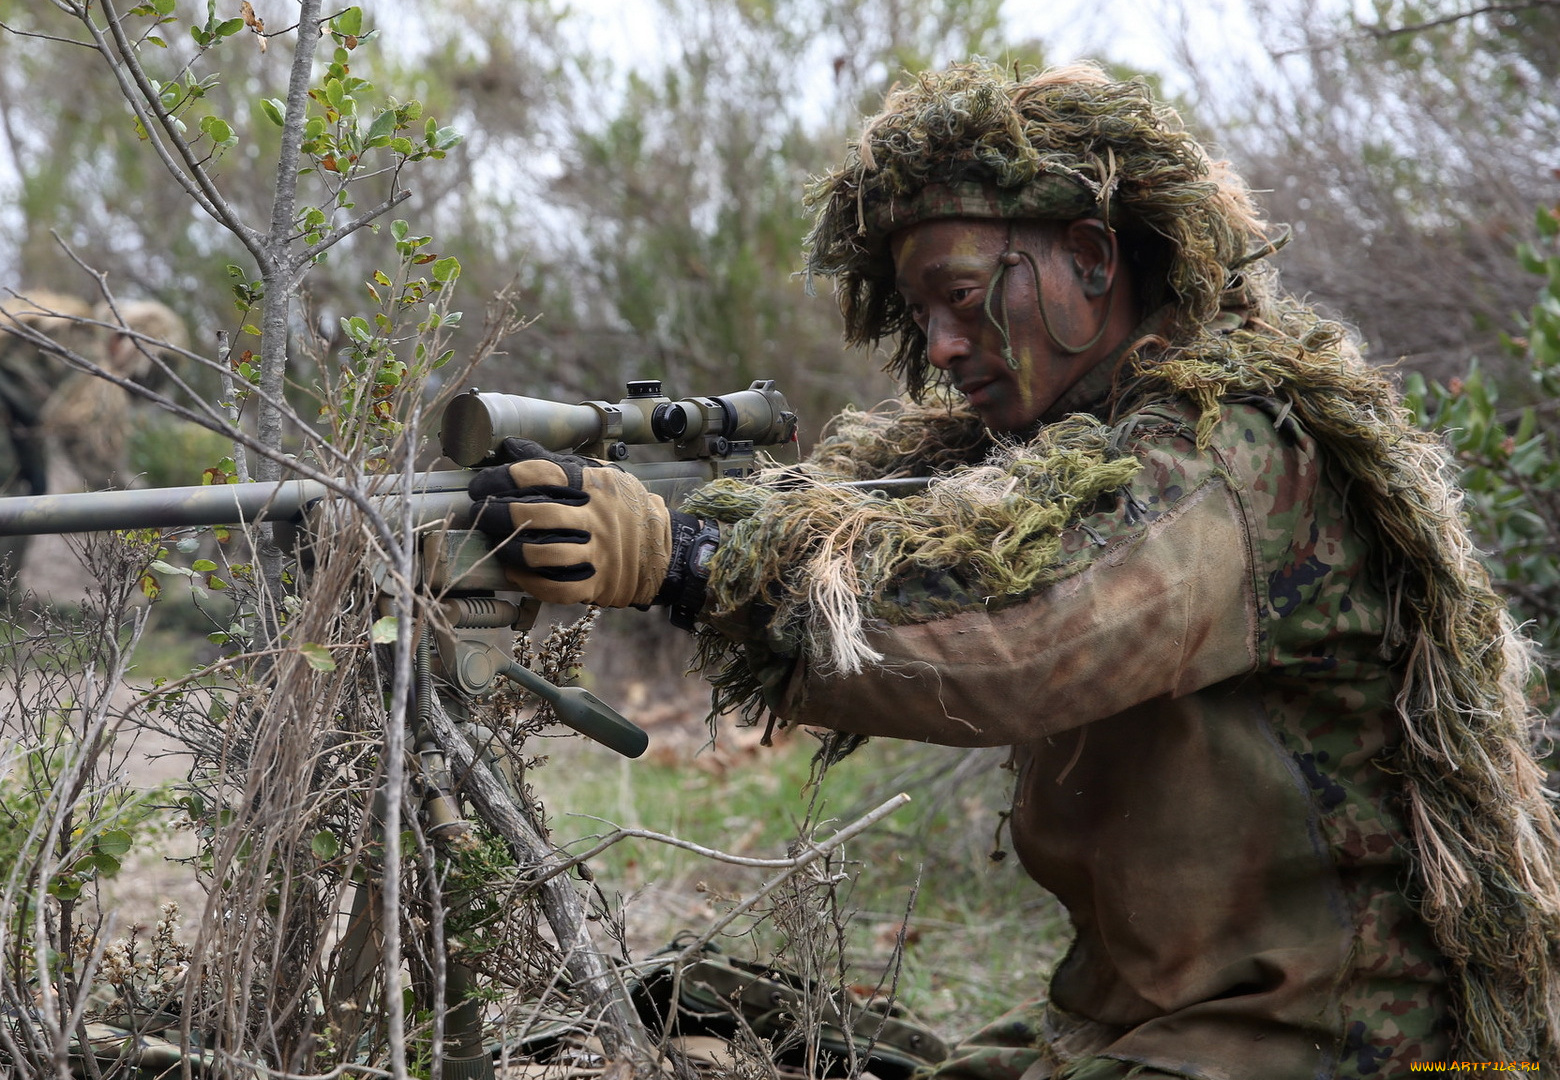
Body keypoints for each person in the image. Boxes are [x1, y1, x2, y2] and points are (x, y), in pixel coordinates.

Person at [468, 63, 1560, 1076]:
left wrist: (688, 561)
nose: (941, 346)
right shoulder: (1056, 452)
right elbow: (882, 535)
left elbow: (1028, 635)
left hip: (1325, 1033)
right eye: (921, 314)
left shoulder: (1229, 449)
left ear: (1092, 258)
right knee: (695, 1012)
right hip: (1140, 1017)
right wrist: (705, 530)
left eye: (962, 294)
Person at [0, 290, 189, 638]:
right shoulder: (88, 354)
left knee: (24, 499)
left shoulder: (79, 337)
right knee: (1, 510)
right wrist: (145, 510)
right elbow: (95, 458)